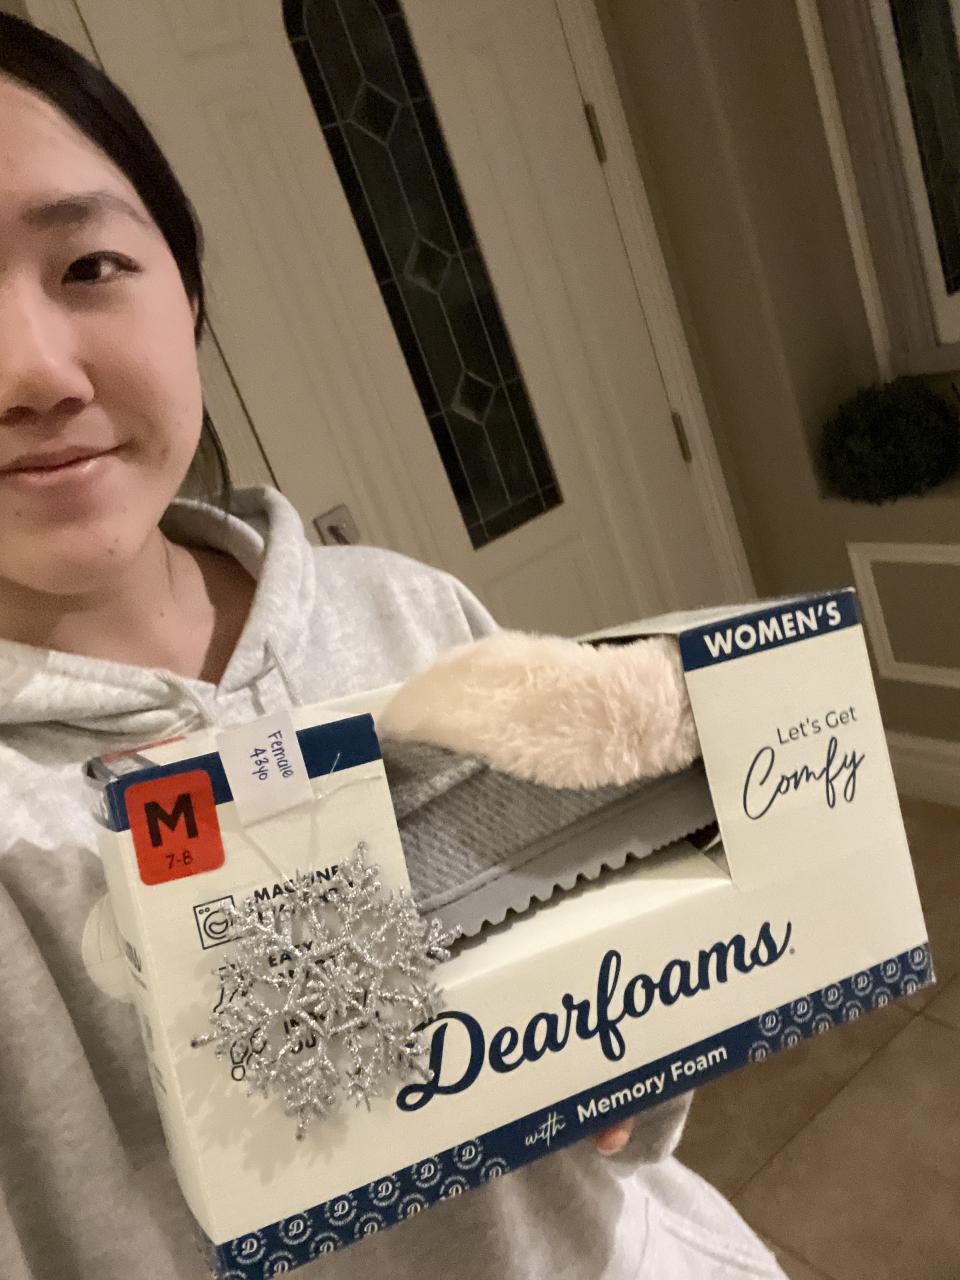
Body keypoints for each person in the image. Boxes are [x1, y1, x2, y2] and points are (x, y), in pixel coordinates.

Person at [0, 13, 786, 1280]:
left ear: (186, 292)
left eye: (88, 264)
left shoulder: (406, 610)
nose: (33, 371)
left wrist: (633, 1056)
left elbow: (616, 1035)